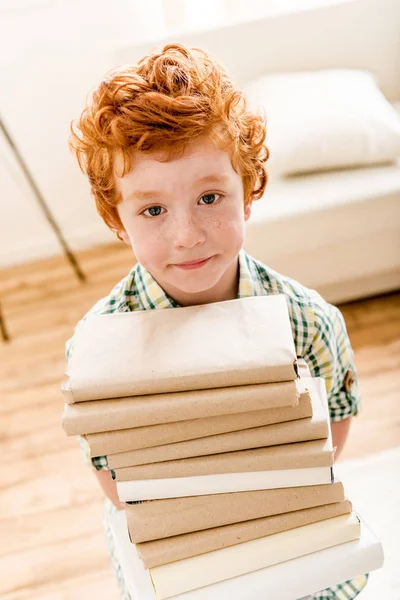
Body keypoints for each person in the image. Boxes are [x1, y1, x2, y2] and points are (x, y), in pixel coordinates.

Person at [66, 43, 368, 599]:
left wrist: (267, 494)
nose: (187, 235)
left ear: (249, 191)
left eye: (210, 197)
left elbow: (337, 422)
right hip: (172, 538)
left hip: (285, 513)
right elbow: (110, 470)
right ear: (117, 219)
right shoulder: (102, 347)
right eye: (153, 210)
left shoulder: (309, 320)